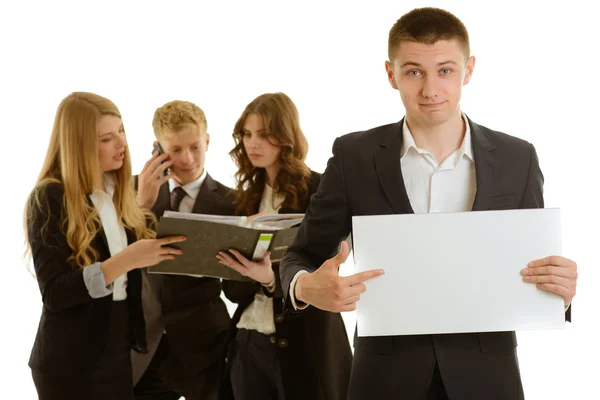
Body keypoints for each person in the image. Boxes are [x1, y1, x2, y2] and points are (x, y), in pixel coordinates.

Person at [278, 8, 578, 400]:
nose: (431, 90)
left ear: (468, 70)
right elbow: (299, 255)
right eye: (414, 71)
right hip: (384, 377)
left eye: (446, 71)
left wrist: (561, 291)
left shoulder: (517, 157)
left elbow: (535, 265)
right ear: (391, 75)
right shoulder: (354, 156)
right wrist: (305, 287)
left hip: (487, 377)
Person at [24, 92, 185, 400]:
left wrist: (144, 206)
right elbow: (55, 294)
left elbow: (127, 262)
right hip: (70, 361)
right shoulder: (49, 198)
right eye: (107, 138)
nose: (122, 143)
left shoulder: (117, 191)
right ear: (79, 144)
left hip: (116, 347)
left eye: (121, 131)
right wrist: (125, 260)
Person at [218, 92, 352, 400]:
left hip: (306, 343)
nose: (253, 144)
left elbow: (327, 268)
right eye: (247, 134)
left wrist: (269, 279)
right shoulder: (244, 198)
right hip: (248, 341)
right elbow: (233, 292)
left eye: (264, 135)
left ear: (285, 136)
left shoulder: (320, 190)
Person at [132, 100, 235, 400]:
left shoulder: (233, 202)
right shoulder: (133, 191)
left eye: (194, 147)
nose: (188, 159)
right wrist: (141, 205)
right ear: (157, 149)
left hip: (204, 347)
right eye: (175, 150)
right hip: (143, 347)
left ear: (207, 141)